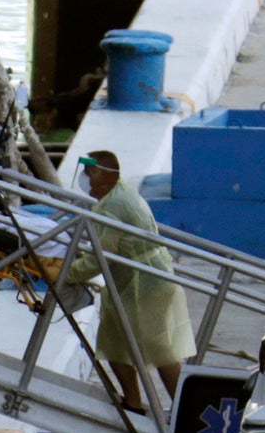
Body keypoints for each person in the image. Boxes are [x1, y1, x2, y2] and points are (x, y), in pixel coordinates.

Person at [64, 151, 196, 413]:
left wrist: (65, 274)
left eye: (88, 174)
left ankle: (186, 411)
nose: (83, 179)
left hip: (145, 283)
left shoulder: (113, 206)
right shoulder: (116, 194)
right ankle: (135, 402)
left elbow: (97, 259)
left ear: (101, 175)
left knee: (161, 351)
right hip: (138, 279)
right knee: (115, 341)